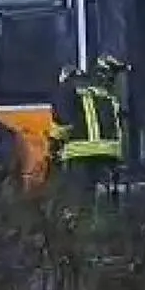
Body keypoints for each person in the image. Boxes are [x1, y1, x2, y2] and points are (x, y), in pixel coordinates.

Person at [49, 64, 125, 196]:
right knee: (106, 197)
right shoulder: (103, 93)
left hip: (81, 152)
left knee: (81, 198)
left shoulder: (66, 90)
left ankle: (82, 214)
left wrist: (54, 146)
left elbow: (65, 123)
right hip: (110, 152)